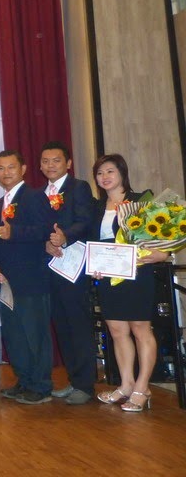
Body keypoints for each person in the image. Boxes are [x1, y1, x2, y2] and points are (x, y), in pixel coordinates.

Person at [91, 154, 169, 412]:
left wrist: (157, 255)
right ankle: (126, 385)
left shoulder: (140, 202)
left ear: (122, 173)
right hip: (109, 277)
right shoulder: (96, 207)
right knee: (116, 330)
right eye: (100, 173)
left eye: (110, 171)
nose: (105, 177)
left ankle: (142, 387)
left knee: (140, 328)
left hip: (137, 273)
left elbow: (161, 239)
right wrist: (95, 266)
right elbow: (95, 243)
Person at [0, 150, 55, 404]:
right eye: (0, 168)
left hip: (31, 279)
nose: (5, 173)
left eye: (11, 167)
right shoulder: (0, 204)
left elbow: (45, 230)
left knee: (34, 333)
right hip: (6, 280)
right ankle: (24, 380)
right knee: (15, 333)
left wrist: (14, 232)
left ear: (23, 169)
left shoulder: (34, 196)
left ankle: (41, 386)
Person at [39, 141, 96, 405]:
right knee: (61, 325)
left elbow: (85, 220)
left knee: (78, 324)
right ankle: (73, 380)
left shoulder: (78, 187)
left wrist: (64, 237)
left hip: (74, 267)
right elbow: (38, 227)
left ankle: (85, 384)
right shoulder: (39, 193)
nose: (50, 165)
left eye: (56, 160)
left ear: (68, 163)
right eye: (46, 161)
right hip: (51, 267)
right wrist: (46, 243)